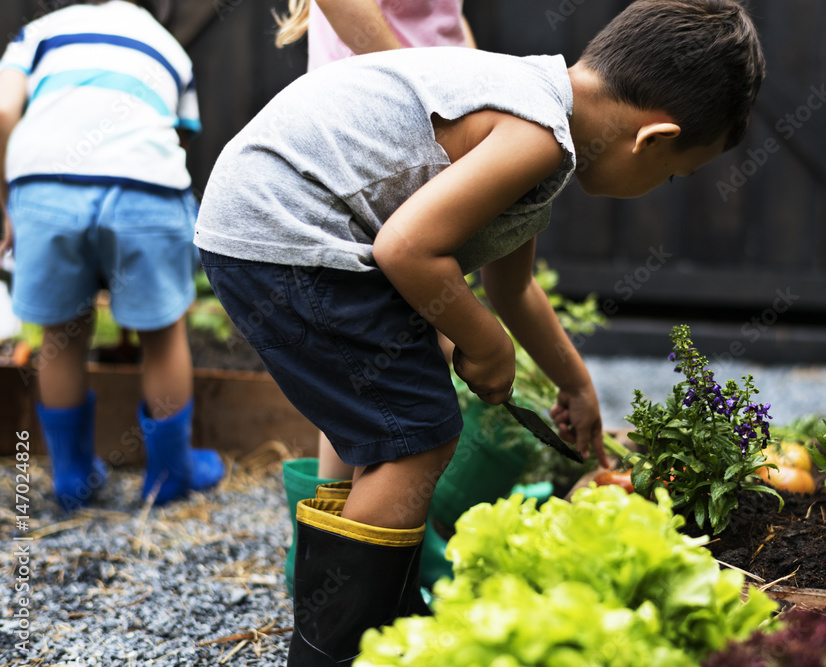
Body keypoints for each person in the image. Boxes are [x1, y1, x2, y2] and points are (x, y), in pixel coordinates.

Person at [195, 0, 764, 662]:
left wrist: (574, 383)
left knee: (383, 423)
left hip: (266, 217)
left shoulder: (532, 101)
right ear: (654, 138)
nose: (662, 182)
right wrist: (486, 343)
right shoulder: (537, 133)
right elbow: (407, 247)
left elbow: (509, 286)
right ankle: (333, 649)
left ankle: (378, 610)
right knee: (417, 434)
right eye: (672, 173)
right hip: (287, 226)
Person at [271, 0, 477, 598]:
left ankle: (337, 544)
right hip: (383, 127)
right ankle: (352, 562)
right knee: (389, 345)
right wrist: (420, 103)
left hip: (424, 124)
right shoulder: (404, 97)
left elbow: (447, 24)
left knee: (397, 347)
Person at [0, 0, 225, 511]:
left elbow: (3, 111)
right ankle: (169, 478)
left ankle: (73, 480)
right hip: (146, 188)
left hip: (47, 190)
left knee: (62, 334)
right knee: (165, 336)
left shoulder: (39, 31)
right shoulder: (169, 46)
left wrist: (9, 202)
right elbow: (178, 138)